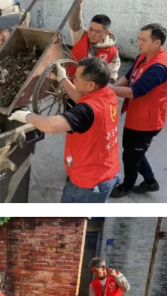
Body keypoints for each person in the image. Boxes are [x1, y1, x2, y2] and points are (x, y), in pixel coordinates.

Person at [7, 57, 121, 203]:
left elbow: (52, 126)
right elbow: (81, 97)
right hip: (107, 171)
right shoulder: (107, 93)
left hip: (88, 183)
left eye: (76, 79)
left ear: (91, 84)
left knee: (69, 220)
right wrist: (63, 79)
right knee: (91, 218)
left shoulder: (88, 110)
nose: (73, 81)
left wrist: (28, 116)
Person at [108, 23, 167, 198]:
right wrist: (112, 88)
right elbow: (128, 78)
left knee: (130, 156)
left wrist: (107, 90)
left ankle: (126, 187)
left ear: (157, 43)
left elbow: (134, 91)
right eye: (139, 39)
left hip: (148, 122)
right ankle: (151, 182)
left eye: (144, 40)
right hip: (136, 115)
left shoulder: (159, 67)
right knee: (132, 150)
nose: (139, 43)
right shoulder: (143, 57)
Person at [67, 0, 121, 82]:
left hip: (91, 94)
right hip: (70, 86)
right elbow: (75, 22)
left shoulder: (112, 53)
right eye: (90, 29)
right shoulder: (81, 36)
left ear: (106, 33)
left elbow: (111, 78)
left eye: (97, 32)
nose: (91, 34)